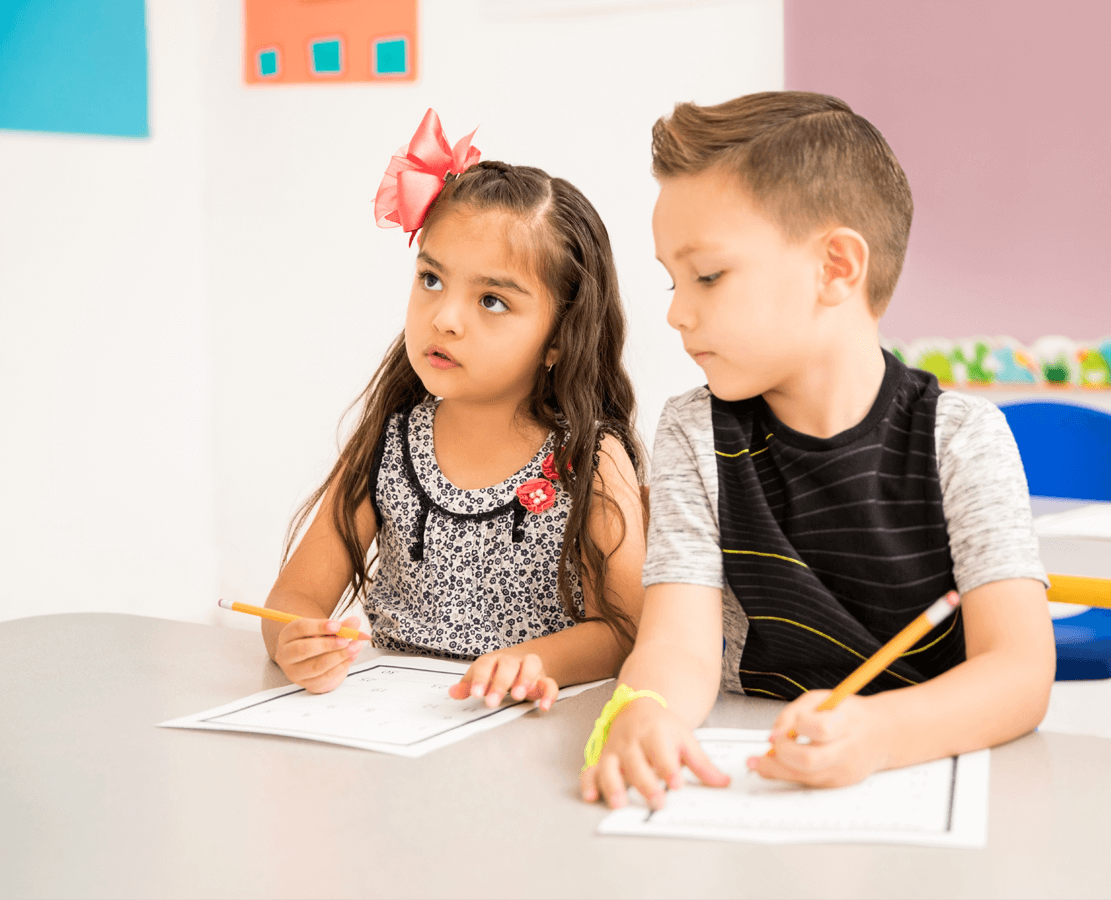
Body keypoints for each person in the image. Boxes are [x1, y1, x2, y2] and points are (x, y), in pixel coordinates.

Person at [581, 92, 1055, 808]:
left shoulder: (962, 438)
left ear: (836, 267)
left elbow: (1019, 672)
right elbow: (679, 645)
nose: (677, 312)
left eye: (707, 275)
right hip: (745, 772)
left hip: (920, 775)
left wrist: (878, 733)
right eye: (673, 281)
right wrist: (645, 709)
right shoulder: (694, 431)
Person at [262, 110, 646, 711]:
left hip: (524, 726)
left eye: (491, 300)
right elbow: (294, 596)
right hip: (388, 725)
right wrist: (294, 636)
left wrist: (534, 661)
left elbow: (626, 631)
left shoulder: (591, 460)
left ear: (559, 339)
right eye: (432, 280)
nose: (445, 318)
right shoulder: (389, 443)